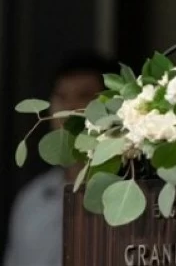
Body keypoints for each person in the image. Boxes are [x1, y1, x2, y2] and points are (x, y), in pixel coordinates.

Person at [3, 52, 115, 266]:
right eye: (61, 97)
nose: (69, 108)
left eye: (83, 96)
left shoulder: (131, 194)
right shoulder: (32, 199)